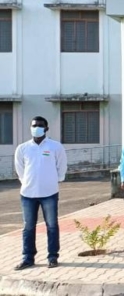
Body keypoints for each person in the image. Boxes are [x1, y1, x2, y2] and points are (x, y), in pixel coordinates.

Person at [13, 116, 67, 270]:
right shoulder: (23, 148)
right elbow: (20, 169)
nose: (36, 128)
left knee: (51, 225)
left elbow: (61, 166)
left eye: (40, 125)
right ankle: (28, 258)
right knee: (28, 227)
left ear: (46, 128)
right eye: (34, 125)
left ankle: (52, 257)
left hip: (49, 192)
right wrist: (27, 182)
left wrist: (55, 180)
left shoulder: (55, 147)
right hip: (28, 194)